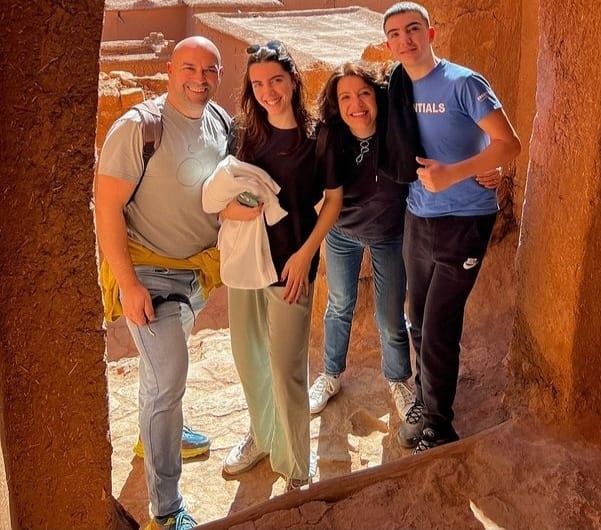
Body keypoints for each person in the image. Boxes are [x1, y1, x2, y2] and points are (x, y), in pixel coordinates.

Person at [95, 36, 229, 530]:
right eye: (189, 68)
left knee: (162, 374)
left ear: (220, 75)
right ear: (169, 70)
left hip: (195, 273)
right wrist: (128, 285)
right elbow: (107, 205)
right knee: (170, 375)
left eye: (210, 70)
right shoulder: (139, 128)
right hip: (148, 273)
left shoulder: (220, 124)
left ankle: (153, 435)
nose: (199, 79)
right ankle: (166, 510)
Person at [382, 2, 521, 453]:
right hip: (418, 216)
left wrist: (456, 173)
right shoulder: (397, 87)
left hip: (464, 218)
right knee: (418, 320)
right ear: (389, 44)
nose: (405, 40)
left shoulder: (464, 82)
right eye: (395, 34)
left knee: (440, 324)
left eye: (413, 29)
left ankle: (439, 425)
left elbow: (508, 144)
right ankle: (426, 398)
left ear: (431, 33)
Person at [212, 40, 343, 492]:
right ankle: (262, 437)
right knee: (249, 360)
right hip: (246, 263)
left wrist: (307, 254)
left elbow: (333, 200)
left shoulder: (317, 136)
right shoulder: (243, 132)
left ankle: (296, 467)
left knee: (286, 369)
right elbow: (222, 196)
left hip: (290, 264)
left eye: (276, 81)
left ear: (292, 80)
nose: (268, 91)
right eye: (258, 83)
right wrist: (229, 212)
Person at [308, 63, 415, 422]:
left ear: (378, 95)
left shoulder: (395, 131)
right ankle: (331, 375)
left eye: (364, 93)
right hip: (342, 234)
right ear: (335, 104)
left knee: (389, 316)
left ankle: (399, 380)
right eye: (345, 97)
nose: (356, 104)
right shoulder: (331, 137)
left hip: (389, 234)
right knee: (339, 304)